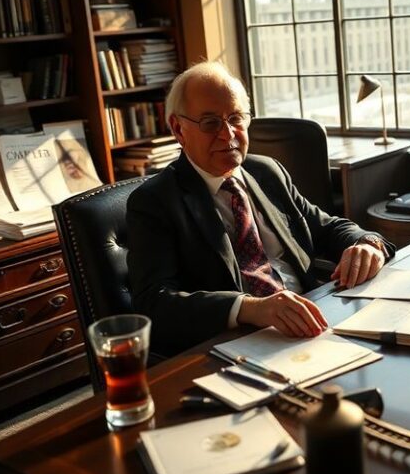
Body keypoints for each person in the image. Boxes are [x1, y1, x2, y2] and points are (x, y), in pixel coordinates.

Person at [127, 62, 395, 355]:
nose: (228, 134)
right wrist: (250, 308)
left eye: (235, 118)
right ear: (179, 128)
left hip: (314, 317)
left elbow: (326, 226)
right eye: (210, 123)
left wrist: (366, 243)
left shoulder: (266, 171)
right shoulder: (154, 201)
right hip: (237, 344)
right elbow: (155, 301)